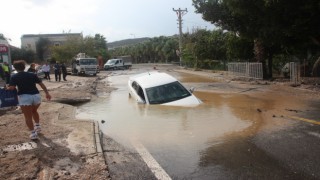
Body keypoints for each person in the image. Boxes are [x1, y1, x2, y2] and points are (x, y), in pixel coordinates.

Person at [7, 60, 51, 140]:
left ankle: (33, 134)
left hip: (25, 97)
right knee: (34, 111)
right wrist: (47, 93)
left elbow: (12, 88)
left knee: (28, 117)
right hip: (36, 96)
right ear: (24, 67)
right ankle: (38, 126)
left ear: (15, 68)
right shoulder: (32, 75)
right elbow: (41, 84)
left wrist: (7, 87)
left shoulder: (14, 76)